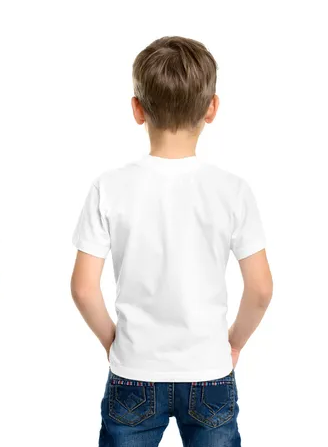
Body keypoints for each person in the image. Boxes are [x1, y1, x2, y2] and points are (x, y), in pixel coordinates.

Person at [70, 36, 273, 446]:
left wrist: (114, 343)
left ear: (137, 109)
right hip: (209, 371)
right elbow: (261, 289)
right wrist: (232, 344)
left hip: (134, 373)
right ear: (212, 107)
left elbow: (82, 288)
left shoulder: (109, 187)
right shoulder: (232, 190)